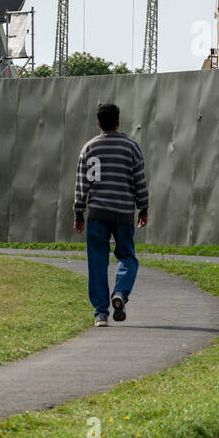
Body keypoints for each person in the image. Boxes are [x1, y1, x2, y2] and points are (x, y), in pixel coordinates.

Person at [72, 102, 149, 326]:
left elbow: (81, 184)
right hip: (123, 212)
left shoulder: (89, 148)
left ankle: (101, 314)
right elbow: (139, 181)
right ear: (118, 121)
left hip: (97, 213)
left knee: (97, 261)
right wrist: (143, 207)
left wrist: (78, 213)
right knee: (127, 256)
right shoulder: (131, 147)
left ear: (98, 123)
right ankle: (120, 293)